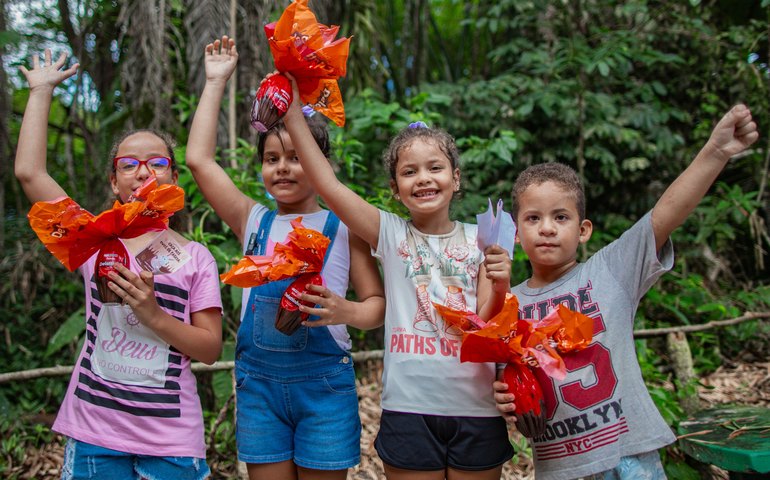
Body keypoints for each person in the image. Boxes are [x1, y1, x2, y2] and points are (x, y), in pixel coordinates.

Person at [492, 105, 759, 480]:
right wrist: (506, 400)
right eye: (533, 218)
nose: (547, 228)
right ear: (516, 233)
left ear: (583, 230)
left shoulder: (610, 270)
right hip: (560, 467)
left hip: (630, 456)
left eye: (561, 217)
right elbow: (508, 384)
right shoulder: (507, 304)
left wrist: (716, 151)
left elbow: (664, 214)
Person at [277, 73, 515, 479]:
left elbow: (488, 325)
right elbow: (328, 186)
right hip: (407, 407)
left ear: (455, 179)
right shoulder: (390, 233)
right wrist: (294, 112)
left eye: (435, 168)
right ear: (395, 187)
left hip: (476, 407)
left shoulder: (485, 239)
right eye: (409, 172)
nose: (423, 178)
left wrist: (502, 281)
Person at [15, 50, 223, 480]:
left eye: (157, 163)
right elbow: (30, 172)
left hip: (171, 440)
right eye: (128, 165)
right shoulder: (93, 239)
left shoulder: (195, 256)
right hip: (94, 432)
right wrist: (40, 92)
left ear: (174, 179)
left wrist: (152, 314)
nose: (142, 171)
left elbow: (208, 349)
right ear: (114, 181)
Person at [184, 37, 386, 480]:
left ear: (320, 165)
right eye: (272, 158)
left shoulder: (343, 226)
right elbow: (198, 160)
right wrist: (216, 80)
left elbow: (376, 306)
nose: (283, 168)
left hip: (325, 389)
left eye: (297, 158)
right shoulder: (250, 220)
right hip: (259, 388)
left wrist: (344, 310)